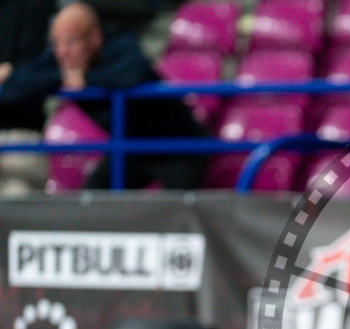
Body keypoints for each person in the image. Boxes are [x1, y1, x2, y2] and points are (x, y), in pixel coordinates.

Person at [0, 2, 208, 190]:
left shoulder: (120, 44)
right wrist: (61, 78)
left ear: (94, 37)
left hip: (178, 145)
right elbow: (16, 87)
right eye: (57, 43)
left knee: (177, 208)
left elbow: (133, 73)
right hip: (133, 146)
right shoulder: (62, 57)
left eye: (71, 41)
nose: (63, 51)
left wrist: (86, 80)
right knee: (94, 197)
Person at [0, 0, 56, 196]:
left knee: (18, 199)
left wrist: (11, 72)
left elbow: (39, 65)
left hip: (22, 133)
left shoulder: (35, 7)